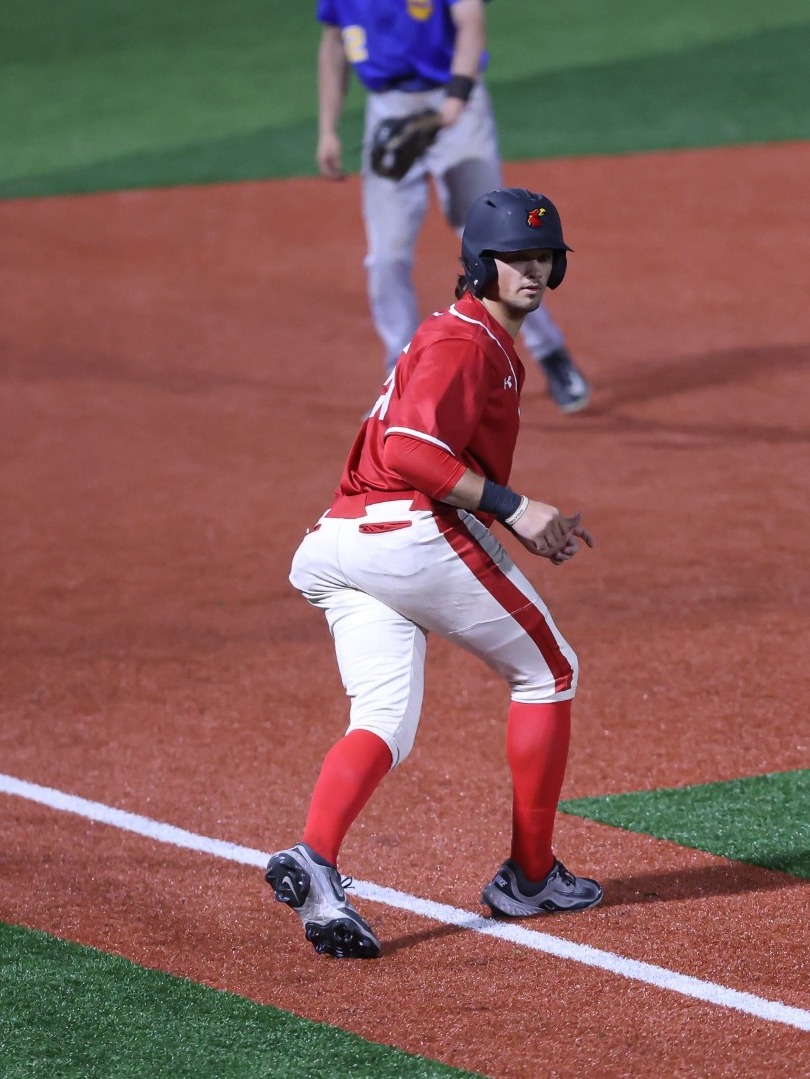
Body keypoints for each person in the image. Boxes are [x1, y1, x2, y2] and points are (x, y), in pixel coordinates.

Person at [266, 188, 602, 959]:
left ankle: (314, 862)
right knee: (549, 670)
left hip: (341, 543)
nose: (533, 269)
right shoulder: (463, 342)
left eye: (543, 257)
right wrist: (515, 507)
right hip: (402, 531)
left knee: (384, 719)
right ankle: (530, 875)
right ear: (481, 265)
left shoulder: (464, 337)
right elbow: (409, 456)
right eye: (516, 257)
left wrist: (517, 517)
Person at [314, 0, 593, 414]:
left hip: (455, 102)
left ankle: (550, 351)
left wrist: (455, 104)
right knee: (385, 257)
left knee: (502, 244)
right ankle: (402, 377)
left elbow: (470, 21)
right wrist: (328, 130)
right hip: (388, 112)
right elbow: (334, 42)